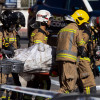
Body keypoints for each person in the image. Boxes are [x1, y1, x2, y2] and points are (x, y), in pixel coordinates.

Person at [56, 9, 89, 93]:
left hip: (59, 61)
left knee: (64, 85)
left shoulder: (61, 30)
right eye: (83, 23)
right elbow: (82, 47)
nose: (83, 25)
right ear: (79, 20)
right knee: (68, 87)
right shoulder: (76, 30)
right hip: (69, 62)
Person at [26, 9, 53, 100]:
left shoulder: (40, 32)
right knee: (45, 84)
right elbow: (38, 51)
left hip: (35, 64)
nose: (50, 21)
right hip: (38, 64)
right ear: (44, 20)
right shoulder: (40, 35)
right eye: (49, 19)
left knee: (32, 84)